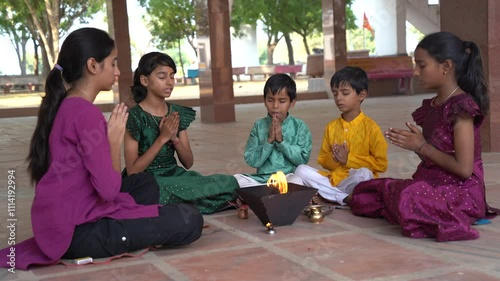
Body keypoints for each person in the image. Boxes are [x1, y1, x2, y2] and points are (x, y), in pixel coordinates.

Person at [0, 28, 203, 270]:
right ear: (93, 66)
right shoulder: (85, 115)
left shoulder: (68, 104)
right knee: (189, 220)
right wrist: (113, 142)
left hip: (61, 217)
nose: (117, 71)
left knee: (144, 183)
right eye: (113, 63)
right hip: (76, 232)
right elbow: (109, 191)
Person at [349, 31, 498, 241]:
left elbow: (464, 170)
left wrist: (422, 146)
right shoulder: (432, 106)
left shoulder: (462, 108)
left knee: (411, 195)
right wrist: (415, 145)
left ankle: (431, 214)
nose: (416, 72)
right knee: (371, 190)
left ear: (446, 67)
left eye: (422, 65)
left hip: (462, 192)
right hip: (432, 184)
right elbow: (435, 159)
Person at [123, 52, 239, 214]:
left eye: (172, 76)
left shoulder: (176, 113)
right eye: (162, 77)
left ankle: (186, 202)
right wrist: (162, 139)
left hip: (175, 176)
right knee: (159, 191)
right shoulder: (135, 117)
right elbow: (133, 171)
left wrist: (174, 138)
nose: (170, 82)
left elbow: (188, 162)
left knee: (229, 182)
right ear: (145, 80)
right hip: (148, 180)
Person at [295, 66, 388, 205]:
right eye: (335, 93)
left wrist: (348, 159)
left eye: (345, 93)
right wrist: (334, 158)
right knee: (300, 170)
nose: (338, 98)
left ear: (361, 95)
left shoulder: (371, 128)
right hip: (334, 179)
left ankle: (329, 195)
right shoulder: (331, 127)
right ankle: (343, 198)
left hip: (354, 181)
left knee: (364, 174)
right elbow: (323, 160)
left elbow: (381, 164)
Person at [233, 73, 312, 187]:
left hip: (288, 177)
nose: (275, 106)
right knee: (236, 181)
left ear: (292, 103)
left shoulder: (299, 126)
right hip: (262, 179)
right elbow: (252, 161)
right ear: (264, 100)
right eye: (270, 100)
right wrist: (269, 141)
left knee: (297, 182)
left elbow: (302, 160)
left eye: (282, 101)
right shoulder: (259, 126)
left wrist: (281, 142)